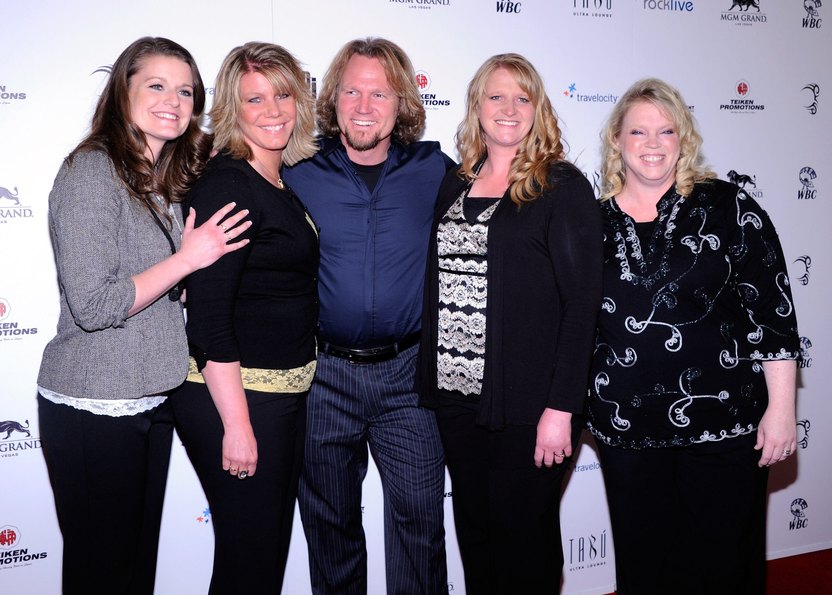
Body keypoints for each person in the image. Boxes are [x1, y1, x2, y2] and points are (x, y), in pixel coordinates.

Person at [36, 37, 250, 595]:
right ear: (122, 91)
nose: (173, 101)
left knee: (134, 573)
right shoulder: (92, 171)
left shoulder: (160, 179)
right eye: (156, 85)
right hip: (94, 405)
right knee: (102, 573)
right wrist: (186, 260)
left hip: (152, 399)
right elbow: (95, 303)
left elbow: (148, 284)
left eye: (185, 91)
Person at [586, 78, 800, 595]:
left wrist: (782, 407)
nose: (653, 143)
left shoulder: (728, 207)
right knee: (645, 569)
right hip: (628, 431)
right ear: (616, 139)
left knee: (725, 566)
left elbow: (772, 311)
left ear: (685, 138)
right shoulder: (589, 222)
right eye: (638, 131)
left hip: (723, 426)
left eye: (666, 130)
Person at [417, 54, 603, 594]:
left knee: (524, 542)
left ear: (538, 110)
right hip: (456, 398)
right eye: (496, 96)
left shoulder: (559, 186)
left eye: (523, 98)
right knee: (475, 534)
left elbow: (582, 303)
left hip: (529, 405)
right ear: (476, 105)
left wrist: (561, 407)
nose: (508, 108)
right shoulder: (455, 183)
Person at [283, 37, 453, 594]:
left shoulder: (434, 170)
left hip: (409, 378)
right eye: (352, 91)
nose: (363, 106)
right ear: (331, 100)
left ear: (402, 102)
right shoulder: (298, 170)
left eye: (379, 93)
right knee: (330, 528)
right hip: (324, 377)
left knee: (420, 524)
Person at [169, 42, 318, 594]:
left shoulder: (275, 180)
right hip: (236, 398)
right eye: (255, 99)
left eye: (283, 94)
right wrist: (236, 424)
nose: (274, 109)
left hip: (277, 398)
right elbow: (208, 317)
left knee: (261, 557)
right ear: (233, 110)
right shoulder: (230, 184)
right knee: (250, 563)